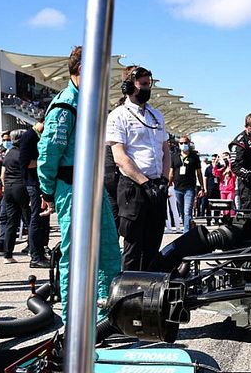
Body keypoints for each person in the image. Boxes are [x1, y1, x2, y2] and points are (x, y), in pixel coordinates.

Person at [38, 46, 122, 323]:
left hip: (94, 186)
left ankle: (104, 315)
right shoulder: (65, 106)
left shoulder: (89, 102)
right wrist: (47, 190)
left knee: (108, 249)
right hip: (72, 187)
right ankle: (74, 321)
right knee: (77, 253)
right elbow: (49, 151)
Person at [105, 65, 170, 271]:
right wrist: (145, 182)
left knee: (153, 244)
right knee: (133, 245)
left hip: (156, 185)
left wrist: (164, 180)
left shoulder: (156, 115)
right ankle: (127, 294)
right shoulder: (118, 115)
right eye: (143, 84)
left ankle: (149, 289)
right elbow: (120, 157)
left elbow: (165, 150)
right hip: (133, 189)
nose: (147, 89)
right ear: (129, 86)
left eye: (148, 84)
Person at [18, 122, 51, 267]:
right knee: (36, 219)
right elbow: (25, 163)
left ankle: (41, 252)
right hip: (33, 184)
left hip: (41, 183)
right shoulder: (29, 136)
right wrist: (45, 161)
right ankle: (35, 256)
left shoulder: (40, 136)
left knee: (44, 221)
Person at [0, 129, 29, 264]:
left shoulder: (9, 153)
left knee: (11, 222)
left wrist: (5, 186)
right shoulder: (22, 153)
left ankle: (8, 254)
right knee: (30, 219)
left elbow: (3, 174)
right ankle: (33, 250)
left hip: (9, 188)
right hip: (21, 186)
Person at [169, 135, 204, 233]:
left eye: (185, 143)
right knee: (182, 211)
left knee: (187, 210)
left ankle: (186, 233)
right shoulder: (174, 156)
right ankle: (188, 228)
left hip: (190, 188)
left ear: (189, 144)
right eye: (181, 143)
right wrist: (168, 184)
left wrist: (202, 187)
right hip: (177, 188)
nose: (183, 145)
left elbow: (199, 173)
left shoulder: (194, 157)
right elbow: (171, 172)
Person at [203, 155, 220, 225]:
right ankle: (208, 220)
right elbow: (205, 178)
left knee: (217, 205)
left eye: (215, 159)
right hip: (210, 188)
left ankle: (216, 219)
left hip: (218, 189)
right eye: (212, 159)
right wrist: (205, 188)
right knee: (209, 205)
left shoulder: (220, 167)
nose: (214, 160)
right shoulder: (208, 168)